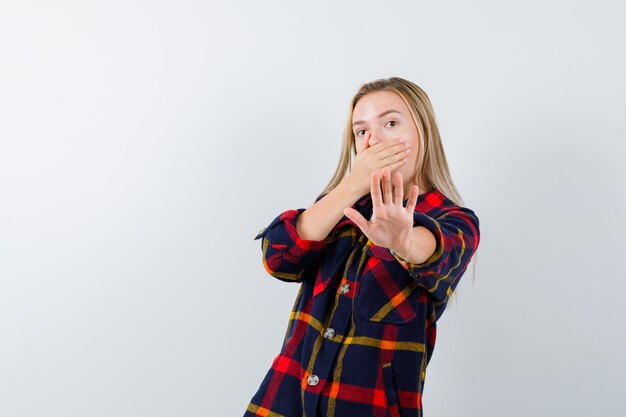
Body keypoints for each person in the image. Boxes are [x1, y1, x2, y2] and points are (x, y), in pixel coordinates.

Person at [244, 77, 480, 417]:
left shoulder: (456, 220)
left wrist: (402, 241)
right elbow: (278, 258)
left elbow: (434, 251)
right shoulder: (335, 210)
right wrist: (352, 185)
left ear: (422, 132)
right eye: (361, 131)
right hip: (282, 403)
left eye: (390, 123)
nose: (374, 141)